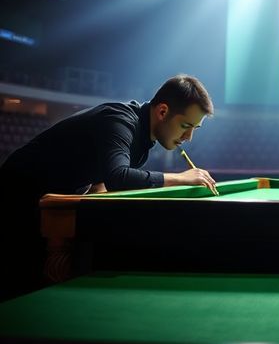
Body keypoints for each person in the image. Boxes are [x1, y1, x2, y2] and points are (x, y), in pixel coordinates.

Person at [0, 74, 217, 299]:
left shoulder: (143, 140)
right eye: (185, 125)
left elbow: (101, 183)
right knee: (18, 288)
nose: (189, 137)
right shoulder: (120, 121)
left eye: (195, 128)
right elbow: (118, 177)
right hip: (17, 192)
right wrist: (181, 178)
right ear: (162, 112)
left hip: (44, 197)